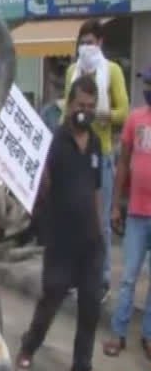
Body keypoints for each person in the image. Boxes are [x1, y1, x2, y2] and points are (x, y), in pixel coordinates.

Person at [15, 76, 106, 371]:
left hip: (90, 242)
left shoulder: (94, 142)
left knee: (91, 306)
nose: (86, 112)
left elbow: (95, 188)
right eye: (81, 106)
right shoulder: (54, 141)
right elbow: (40, 183)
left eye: (91, 107)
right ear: (69, 106)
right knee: (51, 299)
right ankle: (27, 348)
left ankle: (81, 370)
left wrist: (100, 229)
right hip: (61, 240)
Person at [63, 19, 129, 302]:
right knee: (75, 217)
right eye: (82, 43)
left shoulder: (111, 71)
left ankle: (101, 279)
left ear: (100, 43)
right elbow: (68, 106)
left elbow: (123, 111)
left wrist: (101, 114)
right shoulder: (71, 71)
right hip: (74, 151)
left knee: (100, 220)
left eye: (91, 42)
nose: (86, 48)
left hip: (100, 151)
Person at [103, 66, 151, 361]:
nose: (148, 87)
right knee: (129, 277)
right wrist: (114, 205)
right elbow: (122, 164)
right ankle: (117, 333)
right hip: (135, 213)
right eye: (147, 83)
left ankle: (148, 335)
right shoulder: (135, 118)